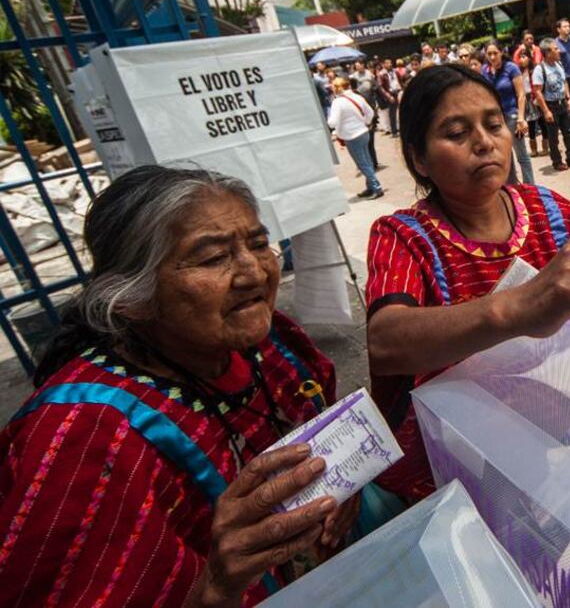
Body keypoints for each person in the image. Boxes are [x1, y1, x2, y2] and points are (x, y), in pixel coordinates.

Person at [0, 166, 357, 606]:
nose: (254, 273)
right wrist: (215, 587)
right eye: (212, 258)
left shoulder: (272, 344)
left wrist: (343, 490)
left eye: (259, 244)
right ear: (133, 295)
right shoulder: (82, 436)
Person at [364, 64, 570, 502]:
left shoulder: (553, 212)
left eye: (493, 124)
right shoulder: (403, 237)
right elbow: (386, 342)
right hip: (459, 462)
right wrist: (515, 307)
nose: (484, 142)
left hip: (564, 437)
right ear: (419, 159)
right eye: (456, 132)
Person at [482, 40, 534, 184]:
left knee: (521, 154)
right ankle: (512, 187)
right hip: (496, 119)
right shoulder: (485, 71)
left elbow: (521, 94)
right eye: (489, 54)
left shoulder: (511, 68)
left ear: (501, 53)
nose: (492, 57)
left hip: (512, 116)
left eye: (495, 53)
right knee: (505, 154)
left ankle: (530, 187)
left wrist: (521, 118)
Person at [328, 77, 383, 199]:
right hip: (364, 132)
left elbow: (333, 122)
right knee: (367, 161)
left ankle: (376, 187)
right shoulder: (357, 97)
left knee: (363, 164)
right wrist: (365, 122)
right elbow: (370, 113)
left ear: (338, 88)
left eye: (333, 87)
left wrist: (329, 120)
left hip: (351, 136)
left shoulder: (337, 102)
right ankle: (370, 187)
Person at [533, 38, 570, 171]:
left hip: (562, 103)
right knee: (553, 136)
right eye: (556, 49)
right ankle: (557, 161)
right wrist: (546, 111)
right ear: (548, 53)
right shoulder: (540, 69)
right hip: (551, 105)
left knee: (569, 132)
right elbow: (537, 91)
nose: (559, 51)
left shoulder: (558, 64)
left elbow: (564, 82)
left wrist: (569, 99)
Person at [517, 48, 546, 158]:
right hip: (526, 100)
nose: (522, 59)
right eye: (520, 57)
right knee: (531, 125)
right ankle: (534, 149)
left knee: (542, 123)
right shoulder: (518, 72)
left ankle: (545, 147)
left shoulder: (534, 70)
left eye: (524, 56)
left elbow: (538, 86)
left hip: (535, 98)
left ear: (529, 58)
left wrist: (537, 97)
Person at [378, 57, 401, 137]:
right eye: (387, 63)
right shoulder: (381, 74)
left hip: (397, 92)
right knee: (392, 114)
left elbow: (400, 80)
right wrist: (388, 96)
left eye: (390, 63)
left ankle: (400, 128)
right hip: (390, 94)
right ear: (384, 64)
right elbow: (380, 87)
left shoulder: (395, 71)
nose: (389, 64)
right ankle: (394, 131)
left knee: (400, 111)